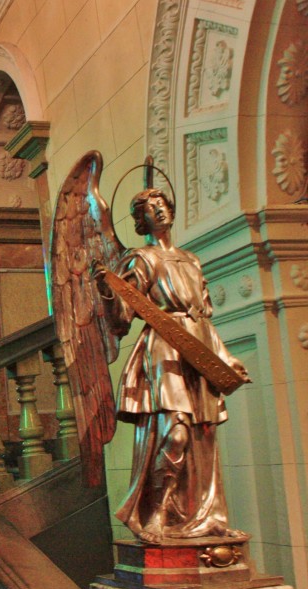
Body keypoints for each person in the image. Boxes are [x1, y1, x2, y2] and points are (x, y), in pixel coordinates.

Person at [105, 188, 250, 544]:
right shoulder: (141, 258)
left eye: (162, 205)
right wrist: (108, 292)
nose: (160, 211)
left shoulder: (191, 260)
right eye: (151, 209)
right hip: (165, 346)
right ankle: (156, 515)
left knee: (203, 436)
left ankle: (209, 518)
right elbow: (123, 317)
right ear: (142, 221)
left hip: (199, 347)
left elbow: (204, 317)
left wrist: (226, 359)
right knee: (176, 432)